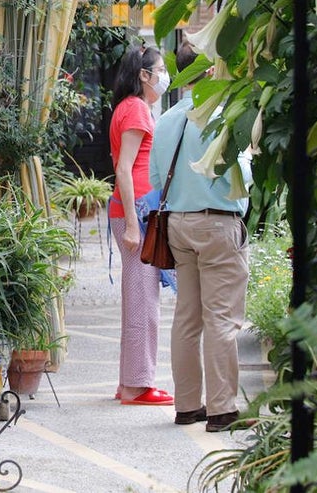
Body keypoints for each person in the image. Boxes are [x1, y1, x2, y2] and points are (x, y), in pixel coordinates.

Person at [149, 43, 251, 432]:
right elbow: (241, 180)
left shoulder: (166, 121)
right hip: (218, 224)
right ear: (210, 72)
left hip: (178, 225)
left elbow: (156, 182)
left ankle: (188, 405)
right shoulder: (222, 116)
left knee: (187, 318)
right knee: (222, 318)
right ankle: (222, 408)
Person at [108, 45, 174, 405]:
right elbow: (124, 169)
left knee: (142, 298)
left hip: (137, 213)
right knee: (141, 301)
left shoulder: (131, 108)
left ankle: (132, 381)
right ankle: (136, 385)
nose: (165, 76)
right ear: (143, 76)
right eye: (159, 70)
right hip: (136, 215)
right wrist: (134, 225)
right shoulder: (134, 108)